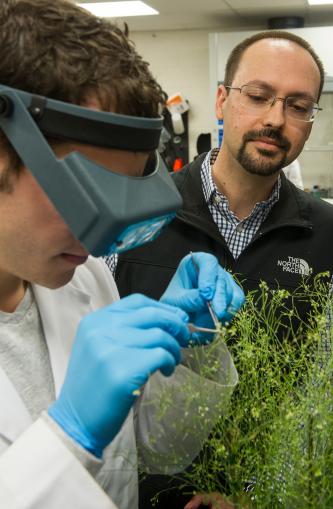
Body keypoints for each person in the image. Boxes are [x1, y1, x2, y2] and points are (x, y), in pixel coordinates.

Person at [0, 2, 245, 508]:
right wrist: (68, 436)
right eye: (84, 198)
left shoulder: (86, 281)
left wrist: (188, 348)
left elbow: (155, 451)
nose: (98, 243)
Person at [114, 30, 333, 509]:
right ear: (223, 99)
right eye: (259, 96)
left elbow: (320, 399)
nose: (274, 119)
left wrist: (258, 498)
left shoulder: (331, 235)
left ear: (311, 121)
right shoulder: (139, 208)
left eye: (297, 105)